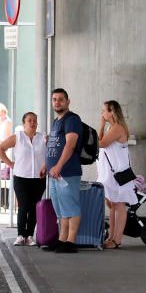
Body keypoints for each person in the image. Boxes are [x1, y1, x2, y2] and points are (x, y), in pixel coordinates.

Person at [0, 111, 47, 246]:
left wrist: (46, 165)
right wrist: (10, 164)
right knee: (23, 205)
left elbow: (52, 154)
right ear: (23, 123)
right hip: (21, 178)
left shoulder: (43, 138)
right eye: (29, 120)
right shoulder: (17, 137)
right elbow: (0, 149)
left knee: (34, 207)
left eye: (34, 120)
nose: (32, 123)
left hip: (38, 178)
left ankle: (30, 235)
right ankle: (20, 235)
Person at [45, 88, 83, 253]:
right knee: (61, 209)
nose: (57, 102)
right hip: (54, 173)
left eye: (61, 99)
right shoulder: (56, 121)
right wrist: (45, 166)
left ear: (68, 101)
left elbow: (70, 144)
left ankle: (71, 241)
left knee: (71, 207)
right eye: (54, 99)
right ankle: (62, 239)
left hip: (67, 172)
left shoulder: (72, 120)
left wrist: (59, 166)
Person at [97, 100, 138, 249]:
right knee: (113, 204)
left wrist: (101, 125)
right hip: (113, 173)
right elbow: (100, 141)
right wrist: (102, 126)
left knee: (119, 205)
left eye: (104, 111)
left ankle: (117, 239)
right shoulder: (111, 127)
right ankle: (111, 237)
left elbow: (100, 143)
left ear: (112, 112)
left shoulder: (117, 128)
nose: (102, 114)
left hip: (119, 174)